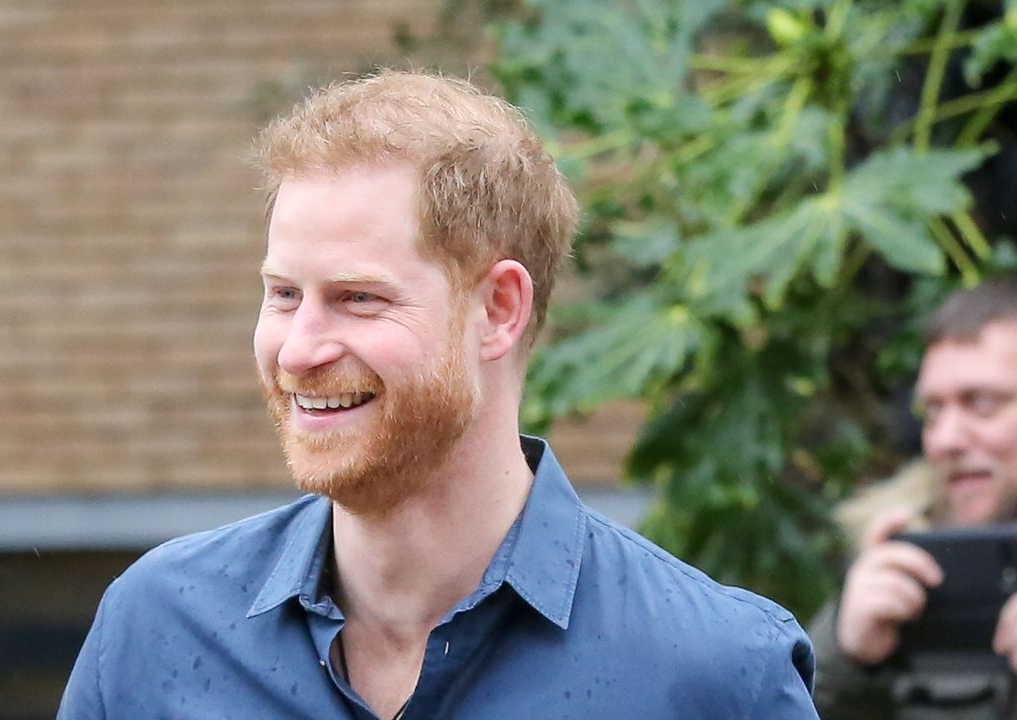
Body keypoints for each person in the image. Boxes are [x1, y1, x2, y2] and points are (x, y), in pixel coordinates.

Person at [57, 69, 817, 720]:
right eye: (284, 294)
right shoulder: (158, 629)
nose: (298, 349)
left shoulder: (717, 676)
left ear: (499, 310)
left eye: (357, 298)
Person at [811, 274, 1017, 719]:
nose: (944, 440)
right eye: (933, 411)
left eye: (982, 402)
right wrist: (844, 658)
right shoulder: (906, 568)